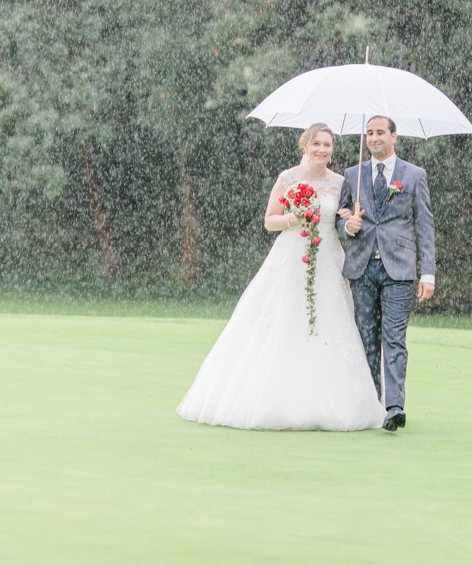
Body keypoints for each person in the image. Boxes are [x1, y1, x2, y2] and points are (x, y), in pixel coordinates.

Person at [177, 123, 385, 431]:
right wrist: (294, 217)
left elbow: (344, 220)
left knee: (331, 323)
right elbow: (269, 220)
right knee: (282, 321)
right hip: (291, 257)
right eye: (317, 144)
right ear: (305, 144)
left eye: (327, 145)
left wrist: (349, 219)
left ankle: (330, 402)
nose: (322, 150)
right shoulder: (288, 178)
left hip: (328, 259)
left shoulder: (342, 182)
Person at [336, 115, 436, 432]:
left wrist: (428, 273)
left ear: (394, 136)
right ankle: (371, 405)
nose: (374, 138)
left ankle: (394, 408)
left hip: (400, 268)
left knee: (394, 339)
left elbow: (425, 226)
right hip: (361, 267)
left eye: (380, 132)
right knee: (366, 338)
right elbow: (340, 220)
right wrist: (348, 226)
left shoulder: (414, 175)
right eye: (369, 133)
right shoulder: (352, 175)